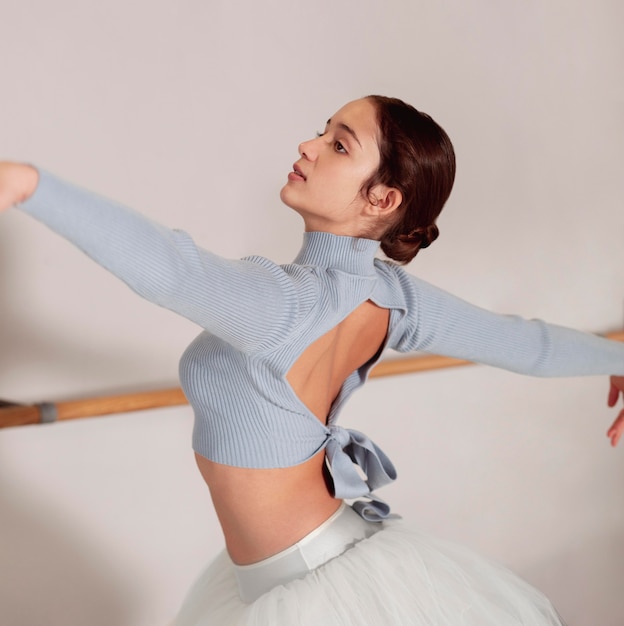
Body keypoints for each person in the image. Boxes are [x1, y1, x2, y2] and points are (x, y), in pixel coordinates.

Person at [1, 95, 623, 626]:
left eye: (339, 145)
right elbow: (527, 345)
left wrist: (31, 184)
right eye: (324, 131)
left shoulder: (284, 302)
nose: (309, 144)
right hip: (308, 566)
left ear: (381, 199)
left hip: (310, 585)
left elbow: (169, 268)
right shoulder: (394, 297)